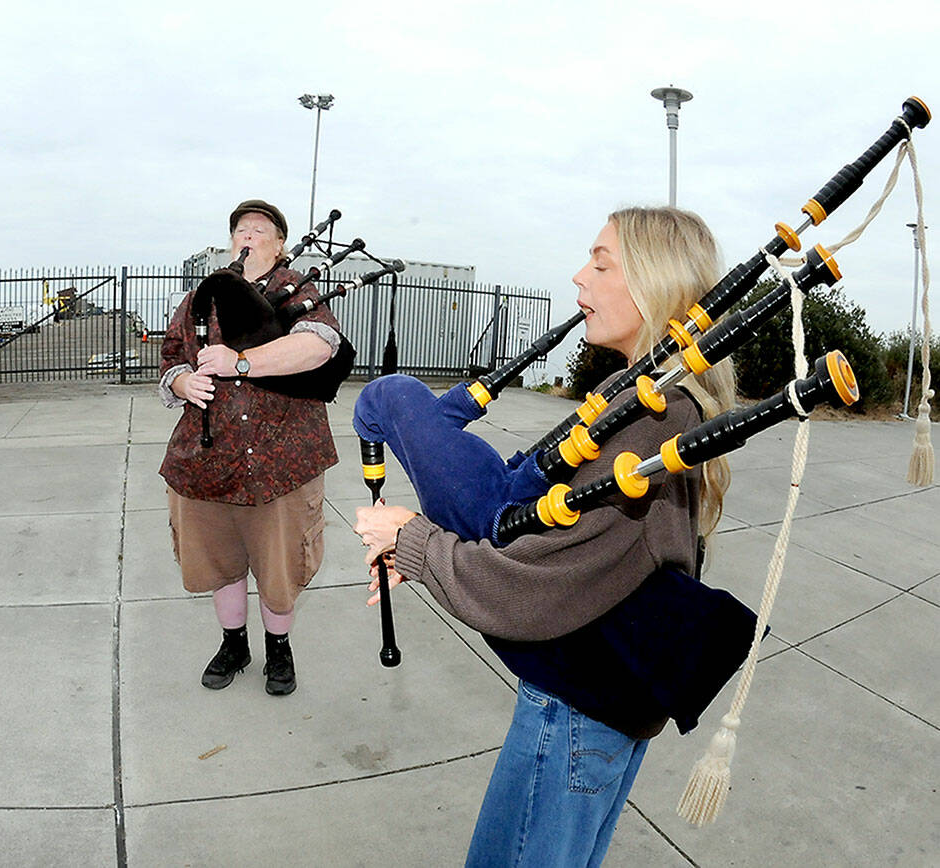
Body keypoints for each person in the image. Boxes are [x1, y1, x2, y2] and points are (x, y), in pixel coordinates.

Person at [353, 207, 737, 867]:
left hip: (574, 718)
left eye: (601, 262)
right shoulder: (639, 399)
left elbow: (529, 584)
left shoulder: (650, 421)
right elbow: (538, 517)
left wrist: (415, 539)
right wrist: (430, 545)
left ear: (654, 284)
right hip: (597, 712)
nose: (579, 276)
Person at [159, 199, 342, 696]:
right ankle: (233, 643)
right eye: (241, 229)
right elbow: (172, 355)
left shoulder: (296, 290)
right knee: (219, 560)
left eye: (261, 230)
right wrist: (181, 384)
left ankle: (278, 651)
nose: (249, 236)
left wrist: (241, 361)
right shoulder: (205, 294)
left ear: (280, 244)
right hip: (207, 458)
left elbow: (320, 345)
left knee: (279, 566)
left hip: (281, 458)